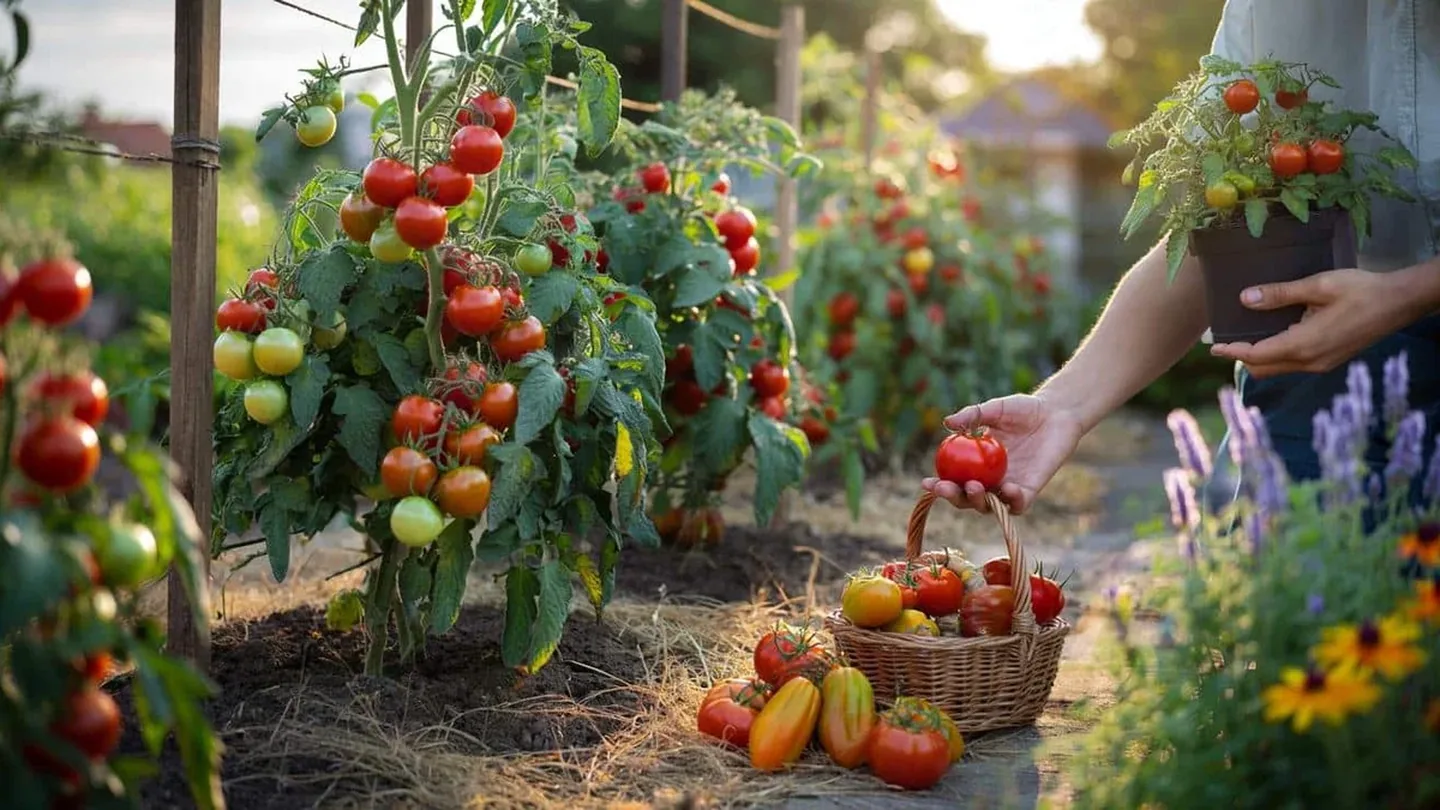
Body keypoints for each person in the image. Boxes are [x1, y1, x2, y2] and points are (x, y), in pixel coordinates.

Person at [924, 0, 1440, 514]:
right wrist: (1063, 406)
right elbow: (1224, 243)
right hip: (1314, 369)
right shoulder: (1268, 12)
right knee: (1299, 586)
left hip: (1333, 351)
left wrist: (1406, 294)